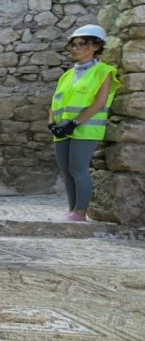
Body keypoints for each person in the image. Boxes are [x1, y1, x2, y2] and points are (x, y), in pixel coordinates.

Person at [50, 23, 119, 222]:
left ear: (96, 46)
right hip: (62, 129)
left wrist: (74, 123)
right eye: (73, 44)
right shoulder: (67, 75)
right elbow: (55, 101)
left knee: (78, 169)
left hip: (86, 128)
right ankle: (72, 211)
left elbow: (100, 103)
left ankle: (80, 212)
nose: (75, 48)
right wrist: (51, 123)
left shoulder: (104, 71)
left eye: (81, 44)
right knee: (66, 170)